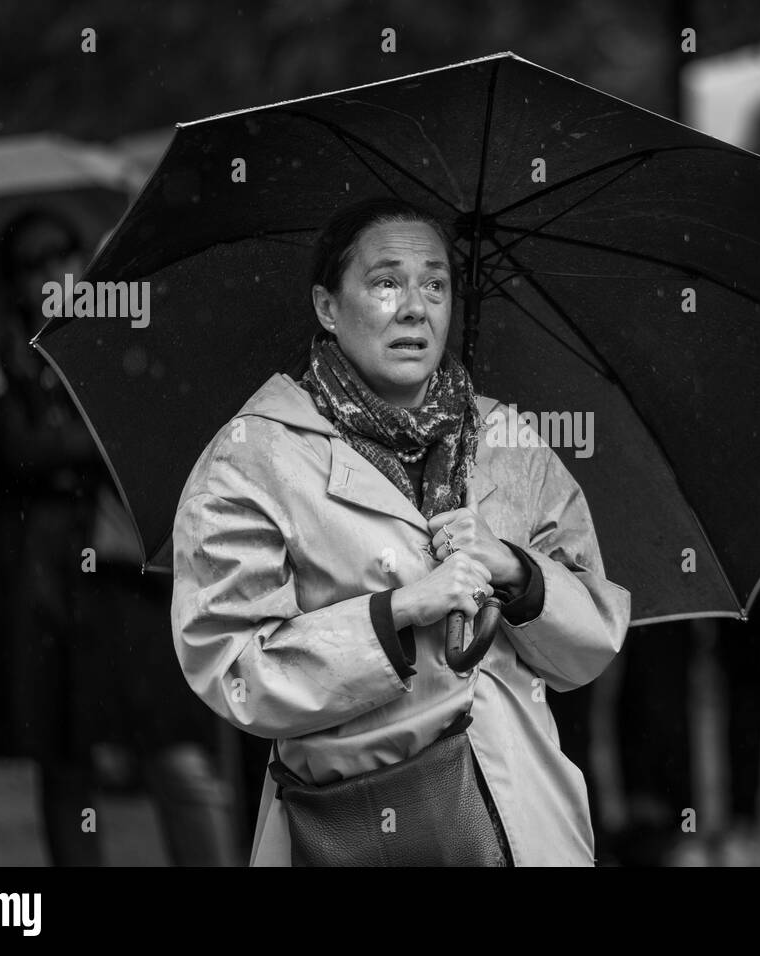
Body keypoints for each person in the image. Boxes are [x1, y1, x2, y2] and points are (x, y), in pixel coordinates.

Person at [170, 197, 631, 866]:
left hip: (522, 819)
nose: (415, 307)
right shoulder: (255, 456)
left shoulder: (506, 439)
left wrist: (515, 572)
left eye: (435, 284)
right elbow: (235, 670)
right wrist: (397, 613)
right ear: (328, 306)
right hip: (364, 824)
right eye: (386, 282)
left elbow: (590, 642)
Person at [0, 208, 238, 865]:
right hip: (44, 586)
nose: (51, 276)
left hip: (131, 579)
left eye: (62, 257)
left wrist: (71, 441)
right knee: (66, 764)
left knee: (177, 756)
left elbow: (154, 432)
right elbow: (11, 453)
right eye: (32, 266)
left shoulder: (119, 332)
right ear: (10, 284)